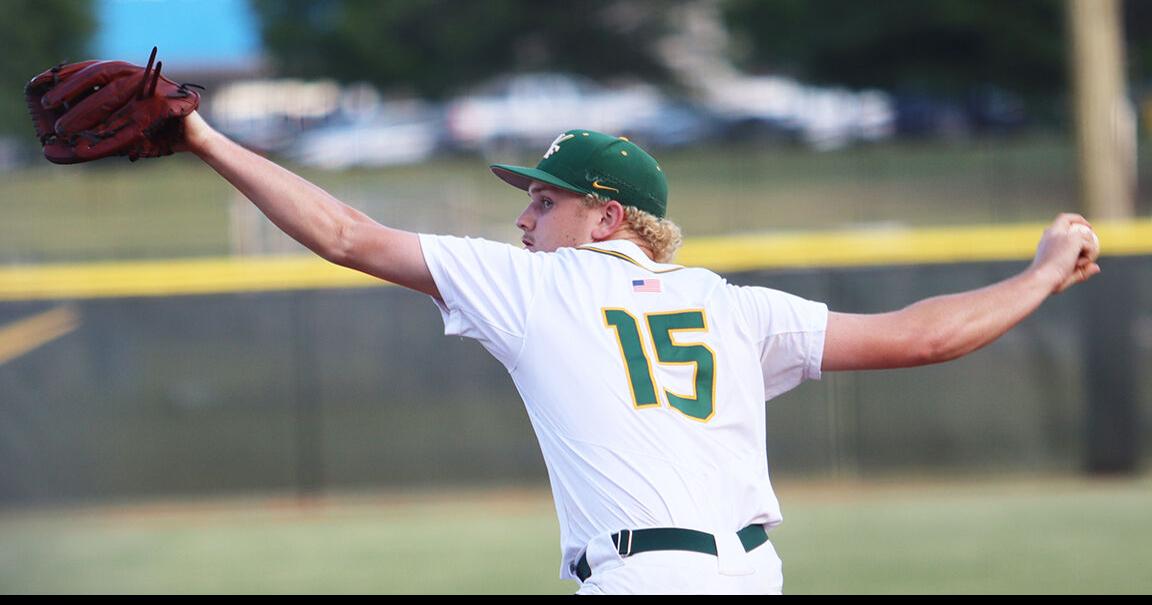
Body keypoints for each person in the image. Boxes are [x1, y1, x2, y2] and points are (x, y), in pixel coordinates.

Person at [177, 114, 1100, 594]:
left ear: (607, 218)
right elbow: (925, 335)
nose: (523, 217)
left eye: (545, 201)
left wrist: (202, 138)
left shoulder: (538, 284)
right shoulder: (730, 305)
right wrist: (1046, 272)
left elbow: (344, 233)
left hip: (646, 576)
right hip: (750, 575)